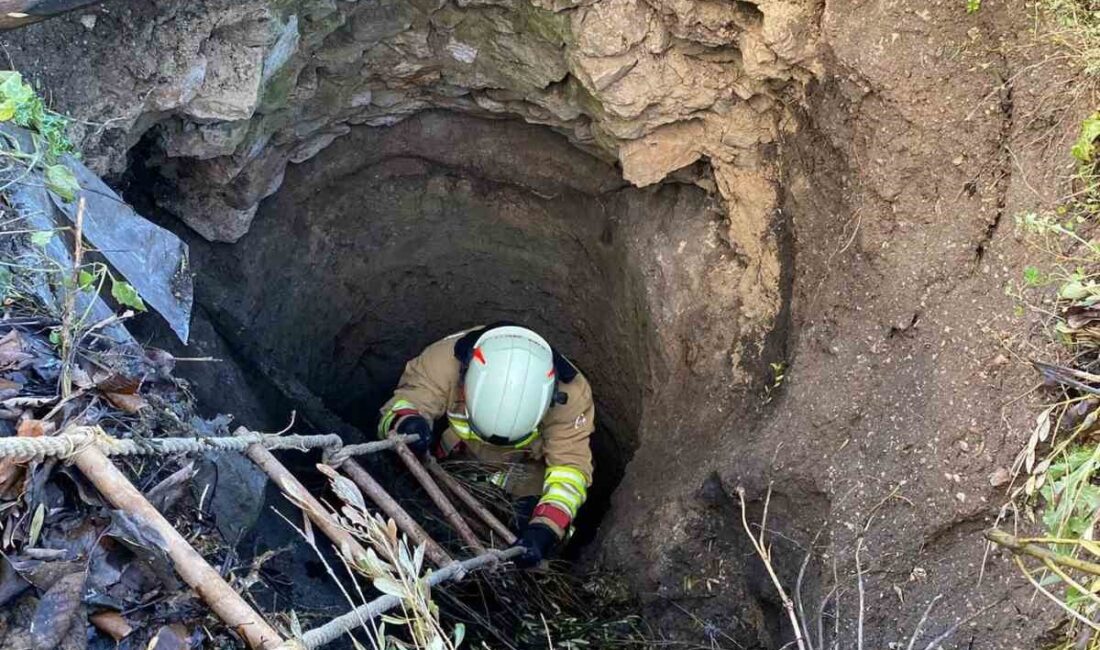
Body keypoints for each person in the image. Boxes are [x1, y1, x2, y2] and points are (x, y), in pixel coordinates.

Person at [378, 323, 594, 567]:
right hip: (455, 461)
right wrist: (408, 422)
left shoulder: (571, 397)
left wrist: (545, 528)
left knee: (531, 551)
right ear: (466, 377)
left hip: (523, 474)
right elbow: (407, 400)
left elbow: (570, 470)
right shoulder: (443, 362)